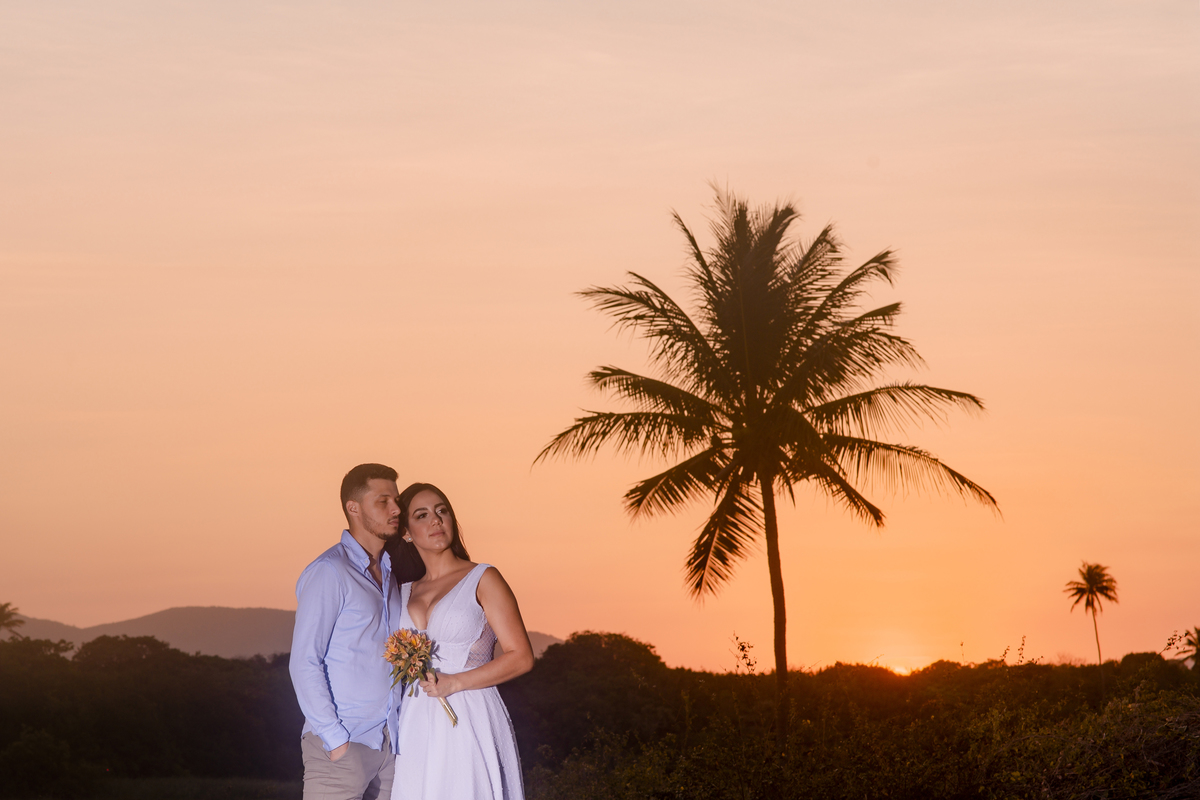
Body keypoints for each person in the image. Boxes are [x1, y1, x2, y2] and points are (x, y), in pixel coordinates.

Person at [386, 482, 534, 800]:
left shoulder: (483, 578)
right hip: (414, 721)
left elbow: (521, 656)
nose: (436, 521)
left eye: (442, 511)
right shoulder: (400, 591)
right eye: (422, 515)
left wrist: (454, 683)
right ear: (407, 533)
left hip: (469, 713)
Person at [290, 464, 405, 800]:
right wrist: (336, 740)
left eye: (396, 500)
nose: (396, 509)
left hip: (389, 747)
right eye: (383, 501)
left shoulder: (389, 573)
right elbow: (304, 661)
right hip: (342, 746)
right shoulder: (330, 571)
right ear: (353, 508)